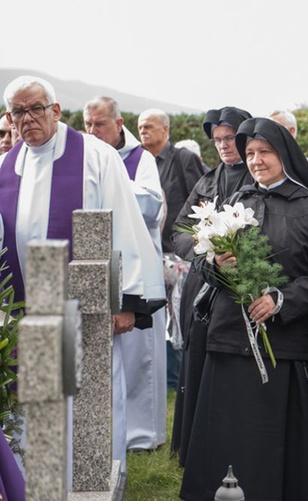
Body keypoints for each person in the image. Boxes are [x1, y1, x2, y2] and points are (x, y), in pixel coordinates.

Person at [0, 75, 164, 473]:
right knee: (34, 402)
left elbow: (124, 225)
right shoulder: (6, 164)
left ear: (55, 111)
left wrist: (126, 301)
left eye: (36, 109)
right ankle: (36, 480)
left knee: (90, 401)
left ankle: (93, 479)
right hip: (27, 312)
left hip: (87, 311)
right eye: (18, 112)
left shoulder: (95, 157)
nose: (27, 120)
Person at [179, 117, 308, 501]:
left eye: (264, 152)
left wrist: (280, 300)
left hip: (284, 343)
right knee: (226, 428)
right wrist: (217, 265)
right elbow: (205, 263)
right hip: (229, 338)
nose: (255, 160)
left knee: (273, 440)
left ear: (284, 154)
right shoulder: (236, 203)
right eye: (250, 153)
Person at [83, 96, 168, 452]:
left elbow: (152, 204)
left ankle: (141, 433)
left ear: (119, 125)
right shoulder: (83, 154)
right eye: (88, 125)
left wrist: (113, 183)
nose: (92, 131)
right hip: (93, 262)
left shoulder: (139, 159)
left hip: (132, 263)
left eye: (99, 125)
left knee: (137, 355)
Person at [169, 106, 252, 466]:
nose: (223, 146)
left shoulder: (259, 176)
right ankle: (195, 448)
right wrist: (204, 250)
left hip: (244, 288)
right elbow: (179, 231)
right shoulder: (208, 180)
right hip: (204, 285)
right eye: (217, 140)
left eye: (229, 138)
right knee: (198, 364)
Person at [138, 108, 204, 391]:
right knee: (155, 318)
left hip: (180, 256)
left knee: (179, 318)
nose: (143, 131)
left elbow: (203, 197)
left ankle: (178, 381)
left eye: (149, 126)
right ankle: (158, 379)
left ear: (165, 130)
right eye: (140, 127)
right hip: (151, 254)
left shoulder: (182, 158)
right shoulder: (139, 162)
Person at [267, 109, 308, 176]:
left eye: (274, 128)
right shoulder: (258, 164)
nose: (268, 133)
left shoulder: (307, 166)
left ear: (291, 131)